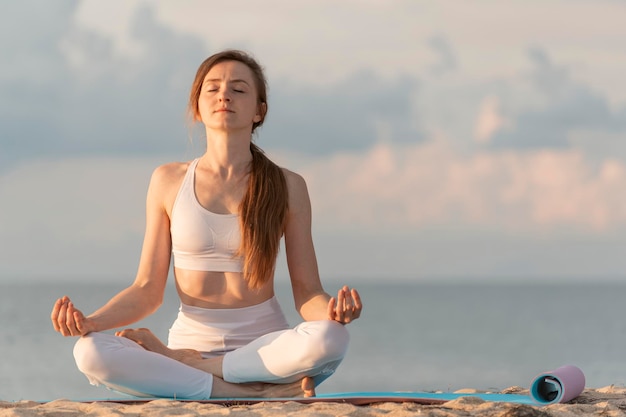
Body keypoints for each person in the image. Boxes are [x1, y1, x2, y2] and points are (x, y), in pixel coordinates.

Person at [50, 50, 362, 400]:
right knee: (89, 352)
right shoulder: (168, 180)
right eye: (212, 88)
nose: (224, 95)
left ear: (259, 110)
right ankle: (242, 390)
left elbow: (307, 292)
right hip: (192, 340)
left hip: (263, 350)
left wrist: (334, 311)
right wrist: (92, 322)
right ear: (198, 107)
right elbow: (146, 289)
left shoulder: (288, 186)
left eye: (239, 89)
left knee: (332, 338)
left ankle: (194, 370)